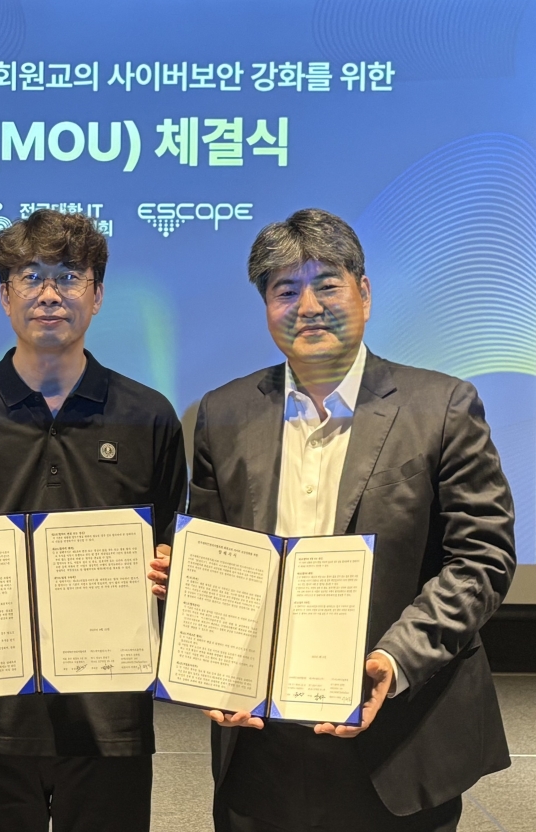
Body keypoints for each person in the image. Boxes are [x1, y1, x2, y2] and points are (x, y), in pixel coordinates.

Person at [153, 208, 515, 831]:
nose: (308, 307)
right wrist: (187, 591)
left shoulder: (442, 406)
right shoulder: (222, 414)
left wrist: (394, 659)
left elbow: (482, 557)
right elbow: (215, 555)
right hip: (260, 742)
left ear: (364, 293)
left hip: (398, 724)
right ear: (266, 306)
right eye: (285, 291)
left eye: (327, 285)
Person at [0, 209, 187, 832]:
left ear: (97, 295)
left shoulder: (149, 415)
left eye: (70, 276)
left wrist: (170, 569)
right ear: (5, 295)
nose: (50, 293)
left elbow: (172, 547)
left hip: (110, 711)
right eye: (31, 277)